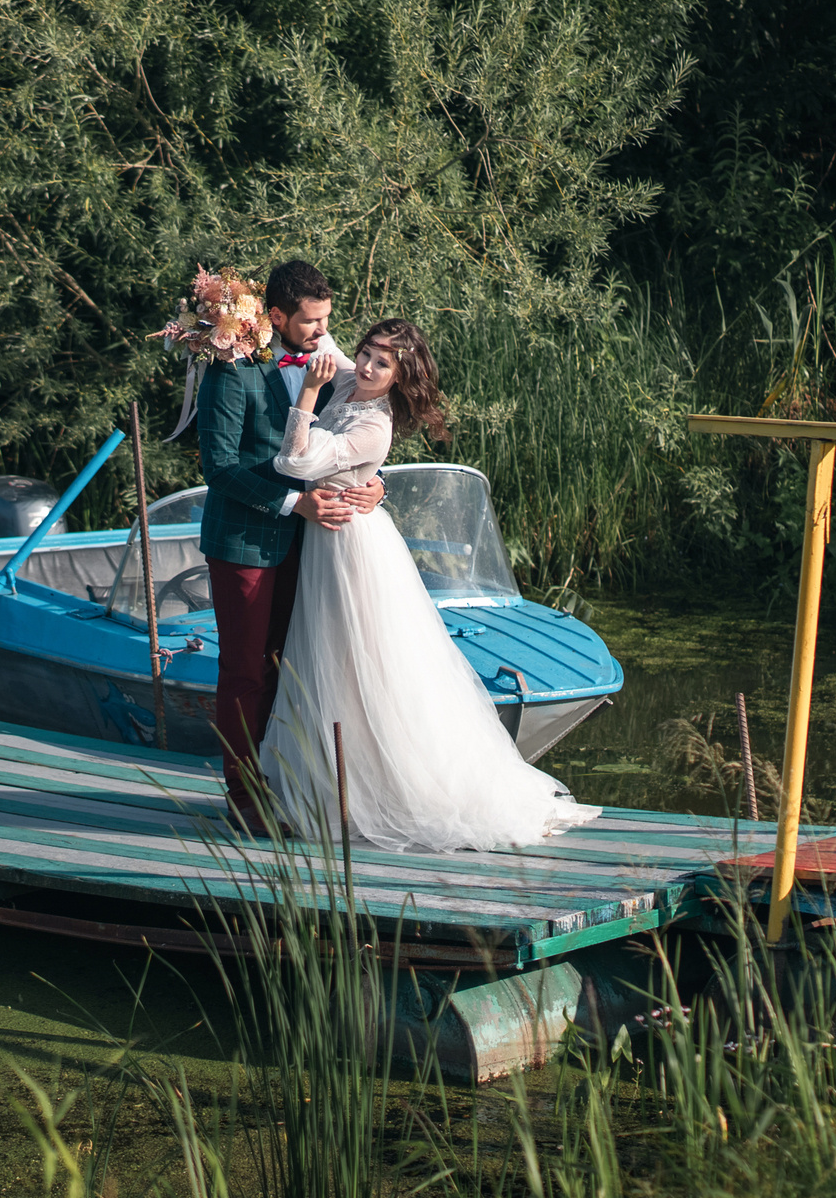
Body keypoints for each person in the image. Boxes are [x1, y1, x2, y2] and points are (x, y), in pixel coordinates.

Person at [256, 319, 601, 851]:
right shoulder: (347, 380)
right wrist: (240, 316)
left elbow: (294, 460)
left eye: (383, 363)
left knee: (368, 661)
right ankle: (337, 781)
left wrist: (307, 392)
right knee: (333, 661)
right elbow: (320, 336)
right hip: (327, 541)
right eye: (367, 353)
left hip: (353, 548)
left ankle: (392, 785)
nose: (368, 366)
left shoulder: (376, 424)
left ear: (399, 376)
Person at [196, 259, 384, 832]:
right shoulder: (231, 371)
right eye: (310, 322)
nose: (323, 331)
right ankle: (245, 798)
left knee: (293, 665)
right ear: (276, 317)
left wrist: (378, 483)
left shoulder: (331, 364)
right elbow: (219, 467)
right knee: (245, 671)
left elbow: (356, 433)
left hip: (311, 544)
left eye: (327, 319)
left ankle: (288, 784)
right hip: (244, 543)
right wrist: (293, 503)